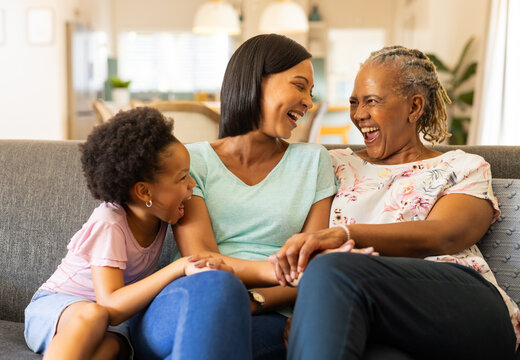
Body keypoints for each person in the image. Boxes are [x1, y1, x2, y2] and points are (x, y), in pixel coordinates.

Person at [271, 45, 520, 359]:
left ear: (414, 107)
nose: (359, 115)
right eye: (354, 103)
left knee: (333, 267)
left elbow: (445, 234)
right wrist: (316, 312)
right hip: (370, 313)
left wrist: (348, 235)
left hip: (463, 305)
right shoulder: (332, 165)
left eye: (372, 101)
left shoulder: (463, 166)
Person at [131, 34, 339, 360]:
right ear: (257, 81)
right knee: (218, 286)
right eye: (299, 86)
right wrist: (276, 270)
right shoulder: (190, 162)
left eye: (311, 93)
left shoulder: (314, 161)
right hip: (187, 296)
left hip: (269, 312)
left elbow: (310, 267)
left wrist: (257, 299)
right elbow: (203, 261)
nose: (308, 102)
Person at [24, 107, 251, 360]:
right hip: (57, 308)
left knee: (116, 347)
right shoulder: (109, 223)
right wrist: (179, 267)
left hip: (107, 322)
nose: (192, 184)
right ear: (144, 193)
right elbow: (110, 305)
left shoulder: (164, 215)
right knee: (93, 315)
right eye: (182, 178)